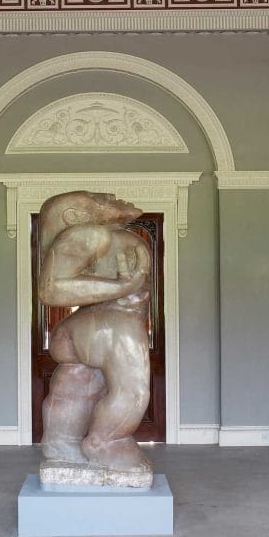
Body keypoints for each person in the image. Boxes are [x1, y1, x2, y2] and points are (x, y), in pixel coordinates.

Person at [37, 191, 152, 476]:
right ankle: (107, 443)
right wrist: (121, 289)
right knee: (132, 391)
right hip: (113, 322)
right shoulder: (92, 235)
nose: (114, 196)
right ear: (74, 215)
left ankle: (60, 445)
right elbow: (51, 289)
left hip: (88, 327)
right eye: (99, 196)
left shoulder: (99, 236)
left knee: (75, 384)